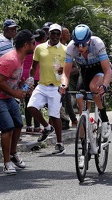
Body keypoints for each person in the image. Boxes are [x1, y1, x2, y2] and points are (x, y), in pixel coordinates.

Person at [0, 30, 37, 175]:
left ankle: (13, 153)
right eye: (32, 43)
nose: (34, 45)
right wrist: (15, 93)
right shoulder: (10, 59)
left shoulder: (20, 58)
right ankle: (6, 163)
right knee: (8, 127)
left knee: (18, 123)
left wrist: (21, 85)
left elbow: (10, 79)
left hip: (6, 96)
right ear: (25, 45)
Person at [59, 24, 112, 141]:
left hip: (99, 70)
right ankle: (84, 135)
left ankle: (104, 118)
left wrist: (104, 86)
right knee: (79, 98)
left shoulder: (97, 43)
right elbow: (65, 73)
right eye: (77, 44)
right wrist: (63, 85)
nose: (80, 47)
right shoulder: (71, 47)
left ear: (89, 40)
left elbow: (107, 70)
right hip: (84, 71)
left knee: (93, 87)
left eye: (83, 44)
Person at [27, 23, 66, 155]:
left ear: (60, 35)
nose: (55, 36)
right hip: (42, 85)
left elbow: (74, 69)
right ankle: (47, 127)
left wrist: (64, 69)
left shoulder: (65, 50)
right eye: (53, 33)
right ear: (48, 34)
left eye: (57, 34)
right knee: (31, 107)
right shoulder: (40, 48)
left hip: (56, 86)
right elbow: (34, 66)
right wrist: (30, 79)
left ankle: (60, 143)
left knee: (54, 115)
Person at [22, 29, 47, 134]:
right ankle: (37, 127)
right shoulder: (41, 48)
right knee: (36, 102)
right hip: (36, 77)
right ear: (43, 38)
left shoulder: (27, 47)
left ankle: (28, 126)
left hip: (24, 77)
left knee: (27, 101)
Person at [60, 26, 78, 128]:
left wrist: (64, 71)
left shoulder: (68, 49)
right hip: (53, 79)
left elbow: (75, 68)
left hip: (64, 79)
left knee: (66, 99)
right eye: (67, 33)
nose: (69, 35)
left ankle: (73, 120)